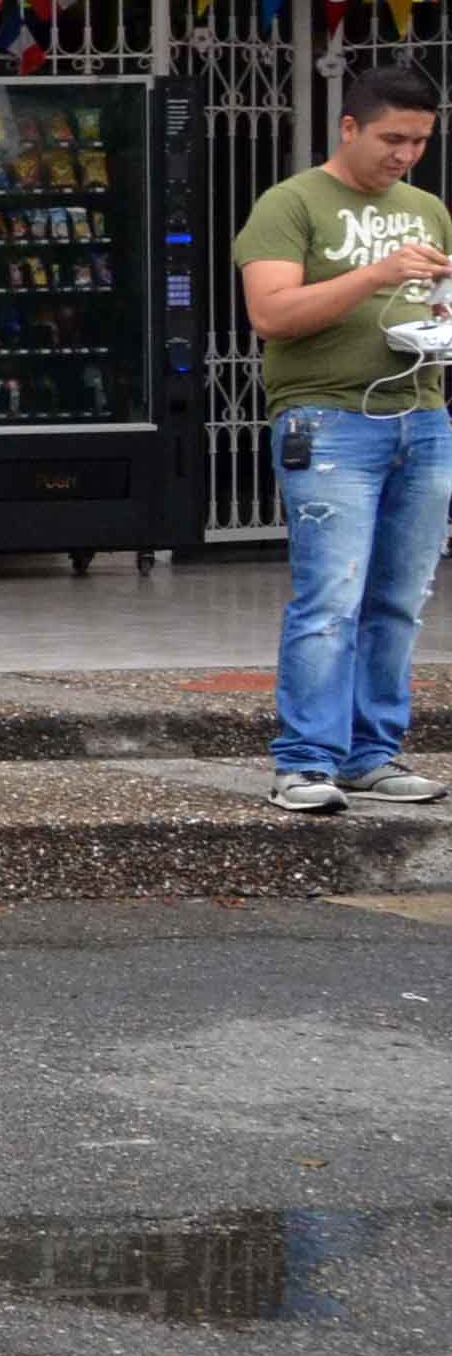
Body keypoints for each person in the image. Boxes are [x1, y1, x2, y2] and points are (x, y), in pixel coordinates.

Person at [239, 60, 452, 814]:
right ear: (350, 127)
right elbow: (270, 315)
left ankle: (374, 754)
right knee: (330, 597)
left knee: (400, 599)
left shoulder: (429, 207)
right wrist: (376, 274)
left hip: (423, 415)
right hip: (327, 420)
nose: (405, 155)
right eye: (393, 138)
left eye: (421, 141)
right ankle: (303, 762)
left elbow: (435, 302)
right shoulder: (289, 204)